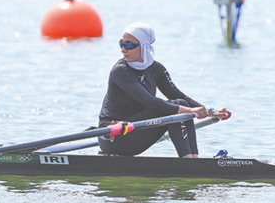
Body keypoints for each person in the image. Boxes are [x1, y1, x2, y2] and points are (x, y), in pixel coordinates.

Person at [98, 22, 231, 158]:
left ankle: (193, 159)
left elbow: (179, 96)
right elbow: (150, 102)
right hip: (114, 137)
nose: (123, 49)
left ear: (144, 46)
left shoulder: (156, 69)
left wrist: (209, 112)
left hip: (136, 130)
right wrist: (191, 111)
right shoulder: (120, 71)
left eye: (129, 44)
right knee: (176, 107)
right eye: (121, 43)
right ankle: (188, 162)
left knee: (180, 103)